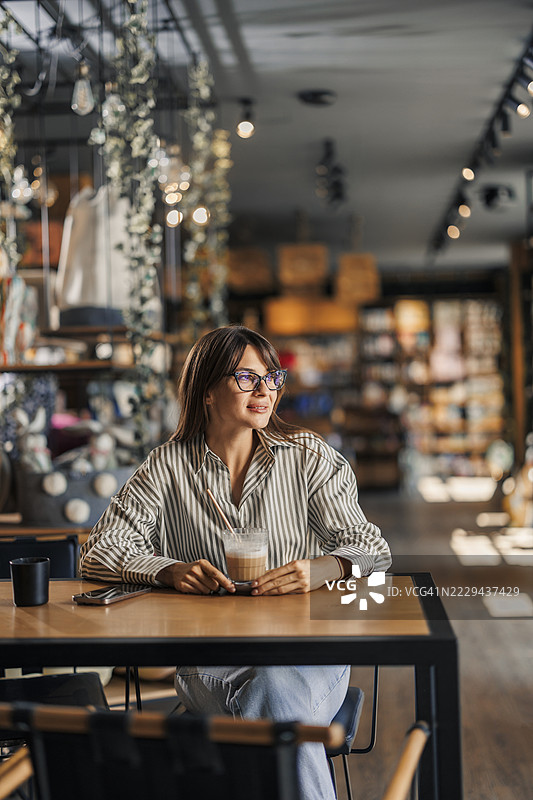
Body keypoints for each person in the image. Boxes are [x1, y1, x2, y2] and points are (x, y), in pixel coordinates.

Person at [80, 324, 392, 800]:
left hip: (308, 657)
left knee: (273, 689)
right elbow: (98, 550)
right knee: (274, 705)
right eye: (246, 378)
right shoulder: (167, 467)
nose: (265, 390)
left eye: (272, 377)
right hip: (213, 661)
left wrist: (324, 568)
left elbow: (372, 546)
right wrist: (169, 569)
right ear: (207, 390)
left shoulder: (307, 458)